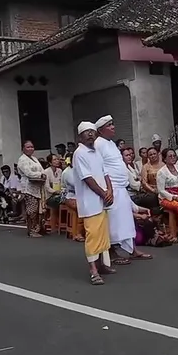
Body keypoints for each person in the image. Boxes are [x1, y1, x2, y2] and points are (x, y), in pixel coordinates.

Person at [95, 115, 151, 264]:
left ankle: (133, 250)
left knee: (126, 221)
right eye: (109, 125)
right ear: (101, 130)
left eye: (113, 124)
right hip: (111, 189)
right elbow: (99, 168)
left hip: (121, 188)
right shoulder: (98, 144)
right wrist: (106, 190)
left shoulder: (111, 144)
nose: (113, 127)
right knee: (113, 223)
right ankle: (112, 253)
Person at [72, 122, 114, 284]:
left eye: (92, 131)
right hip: (90, 202)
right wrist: (104, 194)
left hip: (102, 201)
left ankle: (102, 265)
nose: (90, 134)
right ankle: (93, 271)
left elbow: (105, 173)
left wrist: (110, 190)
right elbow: (87, 179)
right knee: (93, 236)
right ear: (80, 137)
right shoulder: (79, 153)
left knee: (103, 235)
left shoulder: (96, 151)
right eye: (86, 132)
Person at [16, 141, 47, 237]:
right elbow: (28, 173)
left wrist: (42, 174)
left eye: (32, 147)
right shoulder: (22, 159)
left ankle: (38, 228)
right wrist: (40, 175)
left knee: (39, 210)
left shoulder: (34, 158)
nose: (30, 149)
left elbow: (42, 170)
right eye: (28, 147)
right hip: (28, 187)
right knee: (32, 210)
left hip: (38, 187)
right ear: (23, 149)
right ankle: (32, 230)